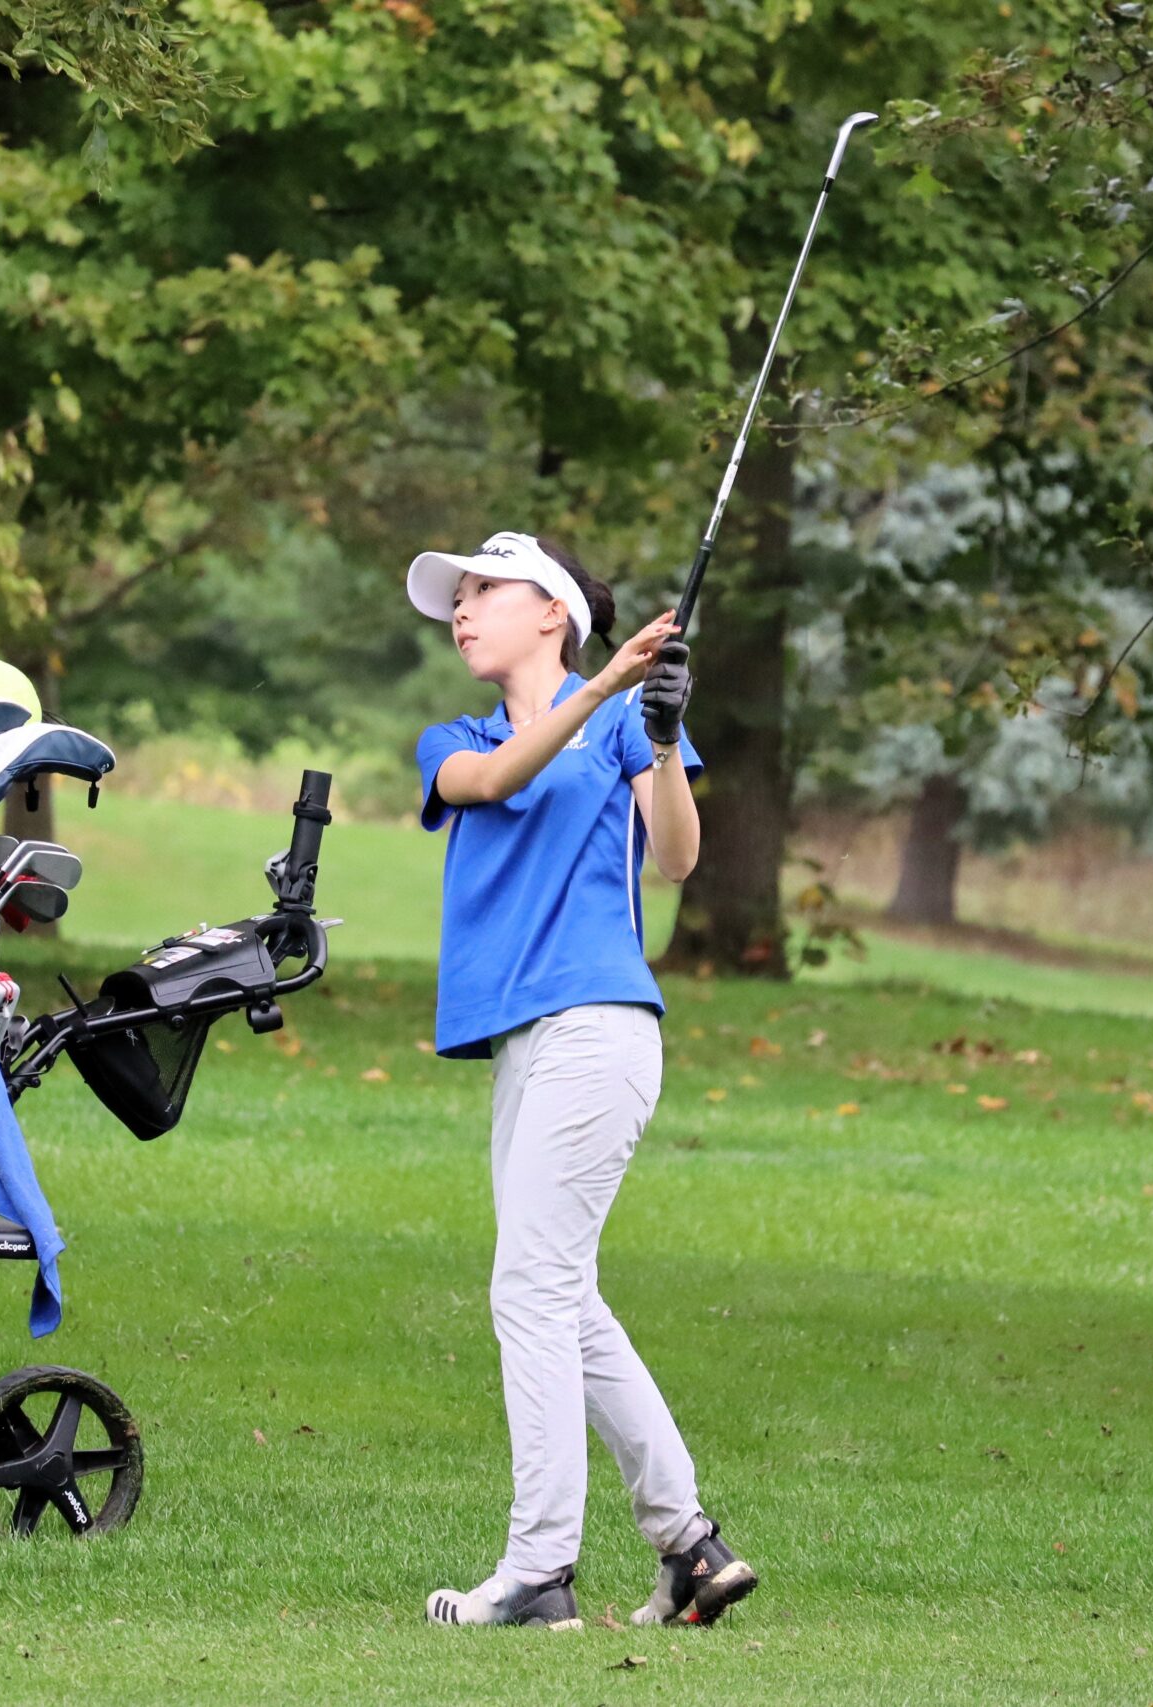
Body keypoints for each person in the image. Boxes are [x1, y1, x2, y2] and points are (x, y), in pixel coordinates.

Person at [405, 529, 758, 1632]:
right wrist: (610, 684)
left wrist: (655, 737)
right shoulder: (451, 738)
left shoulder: (622, 724)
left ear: (551, 610)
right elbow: (497, 779)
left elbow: (677, 860)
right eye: (454, 599)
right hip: (523, 1042)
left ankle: (538, 1570)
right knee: (564, 1296)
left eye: (482, 592)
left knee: (528, 1289)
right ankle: (690, 1546)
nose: (460, 612)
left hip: (598, 1026)